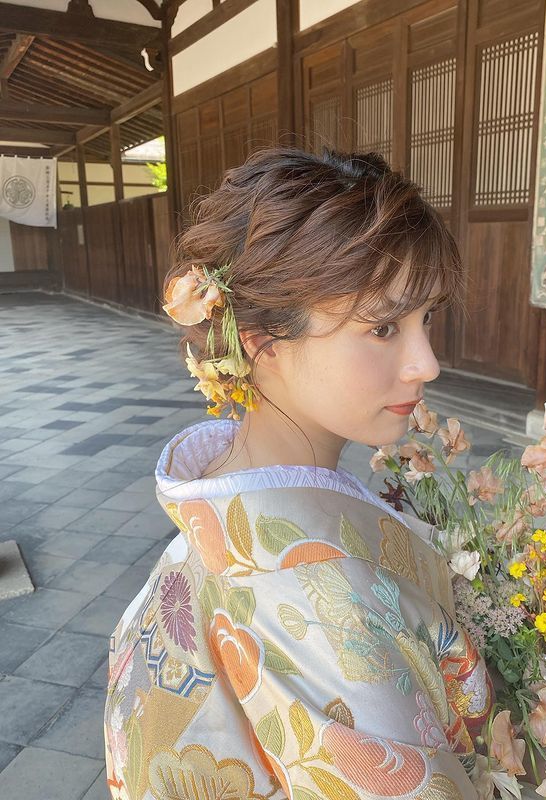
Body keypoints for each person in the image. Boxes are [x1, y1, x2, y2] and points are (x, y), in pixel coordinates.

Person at [103, 146, 496, 800]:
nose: (426, 362)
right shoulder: (317, 601)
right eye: (384, 328)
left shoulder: (206, 527)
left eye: (427, 320)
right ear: (262, 340)